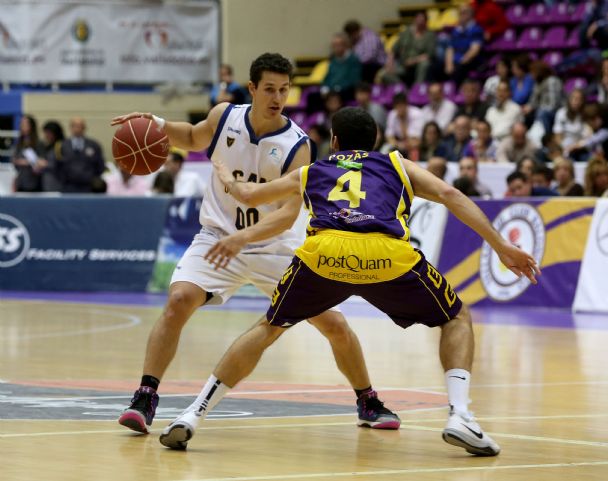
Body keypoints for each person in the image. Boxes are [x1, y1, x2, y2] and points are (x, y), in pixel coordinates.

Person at [160, 106, 539, 453]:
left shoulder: (313, 170)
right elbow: (449, 193)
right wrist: (501, 245)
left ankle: (193, 413)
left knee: (269, 327)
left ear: (334, 141)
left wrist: (225, 173)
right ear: (376, 140)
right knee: (455, 318)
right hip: (385, 256)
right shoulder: (395, 163)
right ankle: (460, 415)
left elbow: (249, 195)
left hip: (324, 254)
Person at [110, 53, 398, 435]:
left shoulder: (298, 144)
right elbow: (192, 137)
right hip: (217, 236)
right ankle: (145, 396)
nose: (277, 97)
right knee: (179, 300)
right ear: (252, 89)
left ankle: (367, 400)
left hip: (275, 246)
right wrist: (154, 124)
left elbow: (287, 213)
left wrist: (243, 238)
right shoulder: (223, 117)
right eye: (269, 89)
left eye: (283, 90)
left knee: (333, 324)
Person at [57, 117, 105, 193]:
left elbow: (100, 165)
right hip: (68, 186)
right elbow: (57, 165)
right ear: (71, 128)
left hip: (88, 187)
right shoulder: (61, 145)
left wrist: (93, 179)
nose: (78, 129)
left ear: (84, 128)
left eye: (80, 126)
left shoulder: (94, 145)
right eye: (75, 126)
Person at [322, 32, 362, 101]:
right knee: (312, 96)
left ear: (345, 45)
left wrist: (336, 88)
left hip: (345, 91)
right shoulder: (333, 60)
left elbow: (354, 80)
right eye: (334, 45)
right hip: (331, 91)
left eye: (338, 45)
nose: (336, 48)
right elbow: (327, 77)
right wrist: (325, 88)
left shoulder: (353, 60)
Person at [11, 114, 46, 192]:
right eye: (21, 124)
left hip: (35, 182)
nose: (23, 126)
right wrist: (19, 162)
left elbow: (43, 161)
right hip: (21, 181)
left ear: (32, 126)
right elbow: (14, 160)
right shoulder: (19, 143)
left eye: (25, 124)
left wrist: (30, 162)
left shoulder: (38, 143)